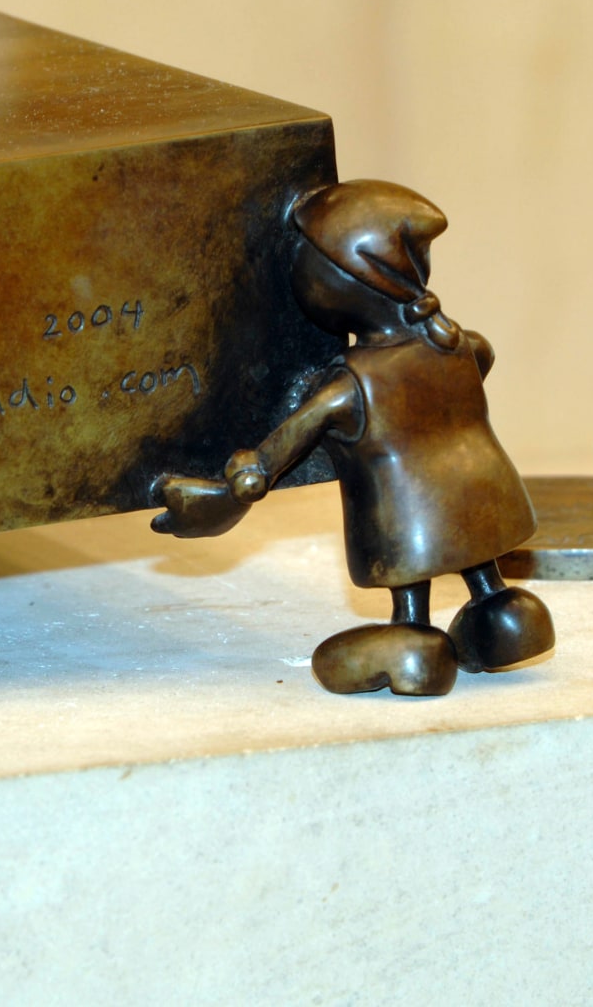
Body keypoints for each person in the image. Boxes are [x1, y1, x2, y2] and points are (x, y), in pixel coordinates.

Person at [152, 180, 554, 696]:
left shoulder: (350, 388)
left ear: (339, 282)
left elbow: (266, 463)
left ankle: (413, 637)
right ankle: (500, 612)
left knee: (406, 596)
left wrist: (229, 490)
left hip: (410, 521)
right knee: (485, 579)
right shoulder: (457, 346)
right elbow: (484, 358)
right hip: (486, 501)